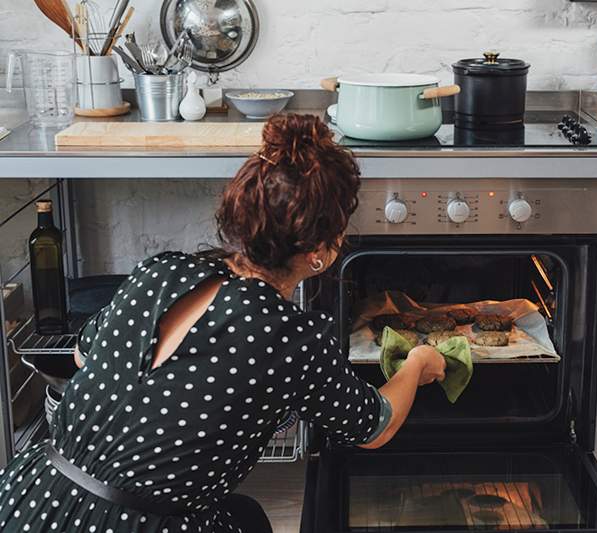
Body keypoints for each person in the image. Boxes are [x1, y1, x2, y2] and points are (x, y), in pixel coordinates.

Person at [0, 114, 446, 532]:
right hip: (132, 523)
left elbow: (83, 354)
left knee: (245, 514)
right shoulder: (287, 339)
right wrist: (417, 362)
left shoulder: (160, 271)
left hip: (30, 495)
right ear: (321, 253)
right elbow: (375, 425)